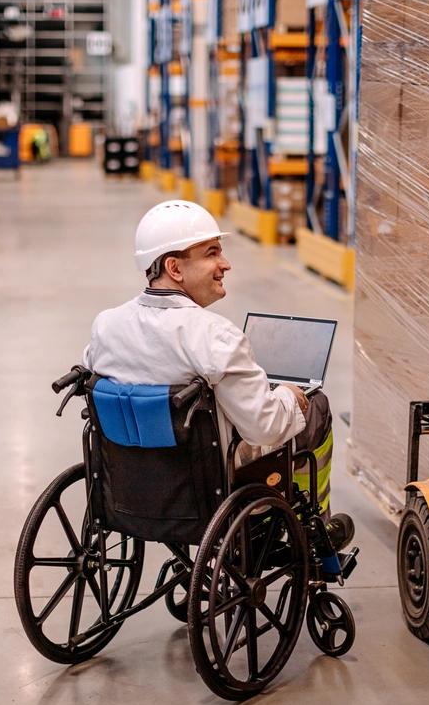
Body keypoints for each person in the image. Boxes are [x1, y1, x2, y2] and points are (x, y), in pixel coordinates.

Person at [82, 200, 350, 541]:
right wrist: (286, 395)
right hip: (206, 486)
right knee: (317, 407)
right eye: (212, 253)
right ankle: (311, 526)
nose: (225, 264)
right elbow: (264, 427)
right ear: (174, 268)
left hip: (131, 487)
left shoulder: (106, 326)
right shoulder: (213, 335)